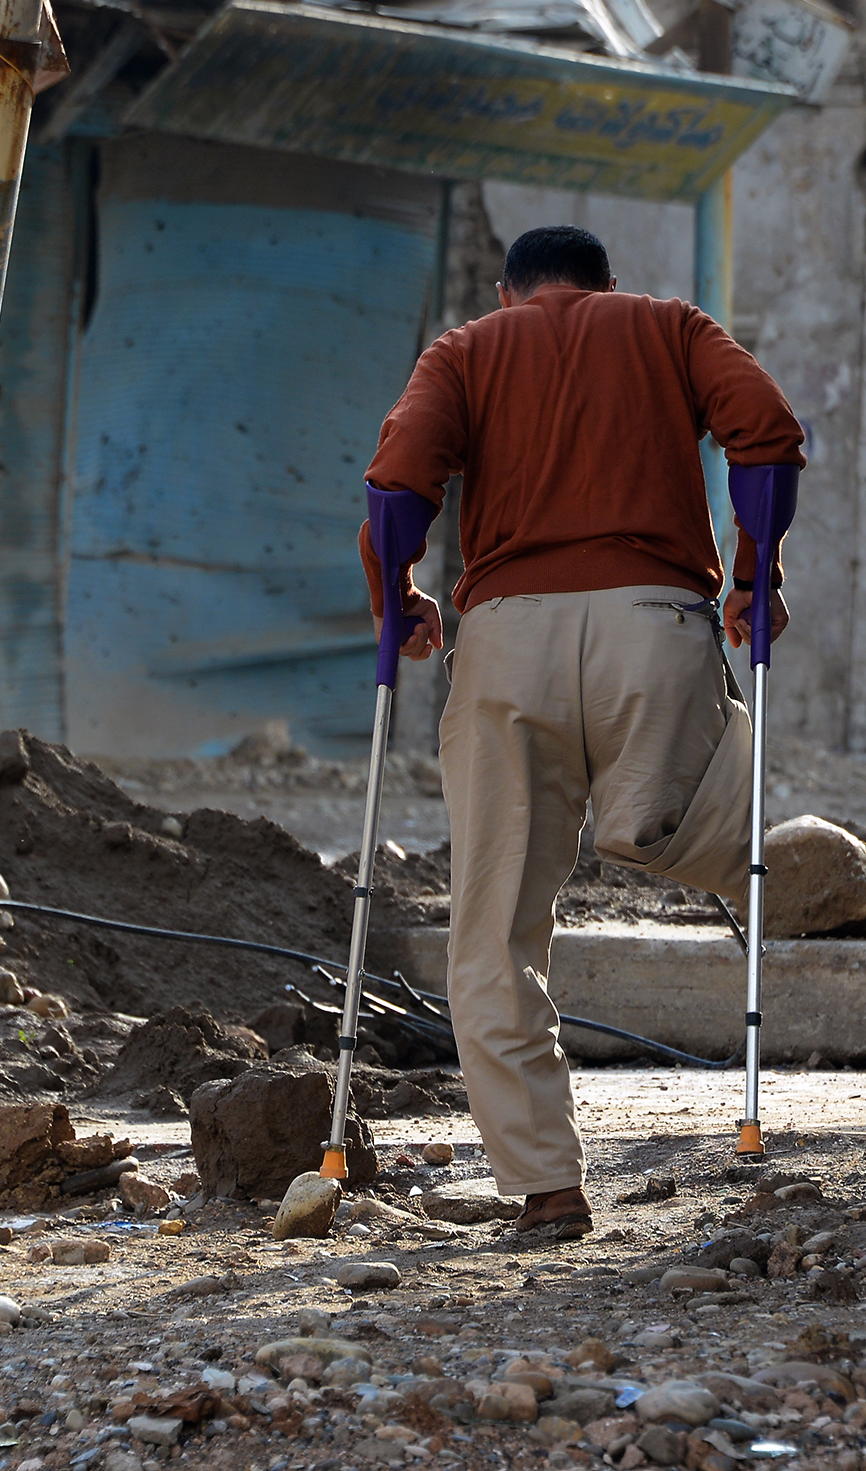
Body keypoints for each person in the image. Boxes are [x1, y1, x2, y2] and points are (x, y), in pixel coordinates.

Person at [358, 224, 806, 1239]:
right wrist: (753, 577)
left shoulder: (468, 349)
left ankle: (547, 1186)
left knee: (495, 926)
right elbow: (767, 431)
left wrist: (401, 601)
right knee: (670, 815)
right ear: (608, 284)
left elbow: (396, 488)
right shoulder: (668, 327)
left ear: (512, 293)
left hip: (508, 638)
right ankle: (642, 826)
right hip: (655, 626)